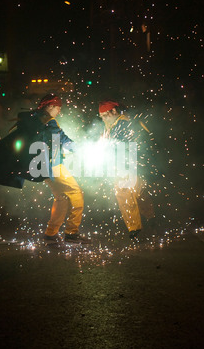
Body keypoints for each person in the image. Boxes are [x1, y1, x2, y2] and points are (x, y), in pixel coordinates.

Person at [33, 93, 89, 245]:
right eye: (58, 107)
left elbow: (59, 139)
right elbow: (59, 137)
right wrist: (79, 149)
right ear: (50, 106)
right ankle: (72, 233)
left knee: (62, 198)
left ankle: (50, 234)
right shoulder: (47, 121)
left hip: (45, 165)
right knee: (76, 193)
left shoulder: (39, 119)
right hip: (52, 165)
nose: (59, 111)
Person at [98, 99, 155, 241]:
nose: (104, 119)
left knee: (123, 192)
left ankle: (135, 228)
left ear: (114, 111)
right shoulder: (123, 121)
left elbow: (121, 145)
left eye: (106, 115)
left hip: (127, 164)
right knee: (139, 191)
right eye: (102, 117)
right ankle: (151, 217)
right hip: (138, 163)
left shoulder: (123, 124)